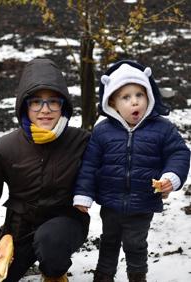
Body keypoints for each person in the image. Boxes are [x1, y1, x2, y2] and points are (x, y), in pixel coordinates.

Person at [0, 58, 90, 282]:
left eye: (53, 101)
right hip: (19, 229)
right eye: (36, 102)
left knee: (50, 242)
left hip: (65, 223)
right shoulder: (5, 147)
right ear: (25, 105)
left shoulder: (81, 141)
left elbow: (111, 170)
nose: (45, 110)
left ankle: (55, 272)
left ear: (63, 104)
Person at [73, 60, 190, 282]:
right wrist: (84, 194)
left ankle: (137, 276)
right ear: (113, 103)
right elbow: (89, 165)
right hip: (110, 201)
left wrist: (170, 178)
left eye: (140, 94)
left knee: (135, 242)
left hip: (142, 201)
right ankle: (104, 276)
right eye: (126, 97)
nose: (134, 101)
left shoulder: (162, 128)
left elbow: (179, 154)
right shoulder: (102, 132)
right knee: (109, 240)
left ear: (149, 97)